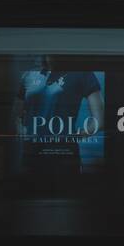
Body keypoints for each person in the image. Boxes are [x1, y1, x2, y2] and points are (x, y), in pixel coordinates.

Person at [14, 56, 104, 192]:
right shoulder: (29, 74)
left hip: (64, 158)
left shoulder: (83, 73)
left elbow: (100, 119)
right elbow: (17, 113)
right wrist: (21, 130)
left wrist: (77, 136)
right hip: (31, 155)